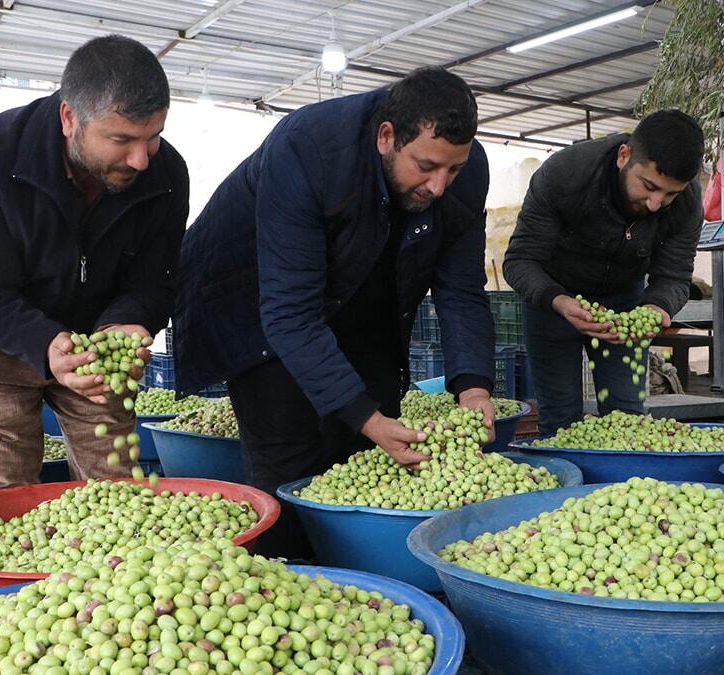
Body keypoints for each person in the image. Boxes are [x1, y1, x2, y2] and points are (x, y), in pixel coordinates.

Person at [173, 67, 495, 558]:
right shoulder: (309, 149)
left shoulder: (463, 171)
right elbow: (289, 314)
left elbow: (461, 290)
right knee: (290, 455)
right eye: (426, 166)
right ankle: (287, 573)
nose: (440, 186)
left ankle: (357, 576)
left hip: (356, 295)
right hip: (254, 298)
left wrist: (473, 385)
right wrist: (365, 417)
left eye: (453, 169)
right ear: (386, 137)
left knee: (365, 448)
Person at [0, 34, 189, 495]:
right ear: (70, 117)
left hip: (94, 341)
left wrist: (128, 322)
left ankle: (107, 565)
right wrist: (46, 343)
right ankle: (19, 569)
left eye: (153, 137)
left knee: (115, 490)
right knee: (3, 494)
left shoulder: (166, 175)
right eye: (122, 140)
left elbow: (157, 279)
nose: (140, 159)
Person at [503, 109, 704, 436]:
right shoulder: (567, 173)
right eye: (649, 186)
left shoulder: (687, 202)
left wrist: (656, 307)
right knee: (559, 417)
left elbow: (674, 276)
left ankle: (620, 482)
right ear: (624, 156)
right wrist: (560, 301)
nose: (656, 204)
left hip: (625, 306)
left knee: (627, 418)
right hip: (554, 299)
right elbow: (520, 261)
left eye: (670, 194)